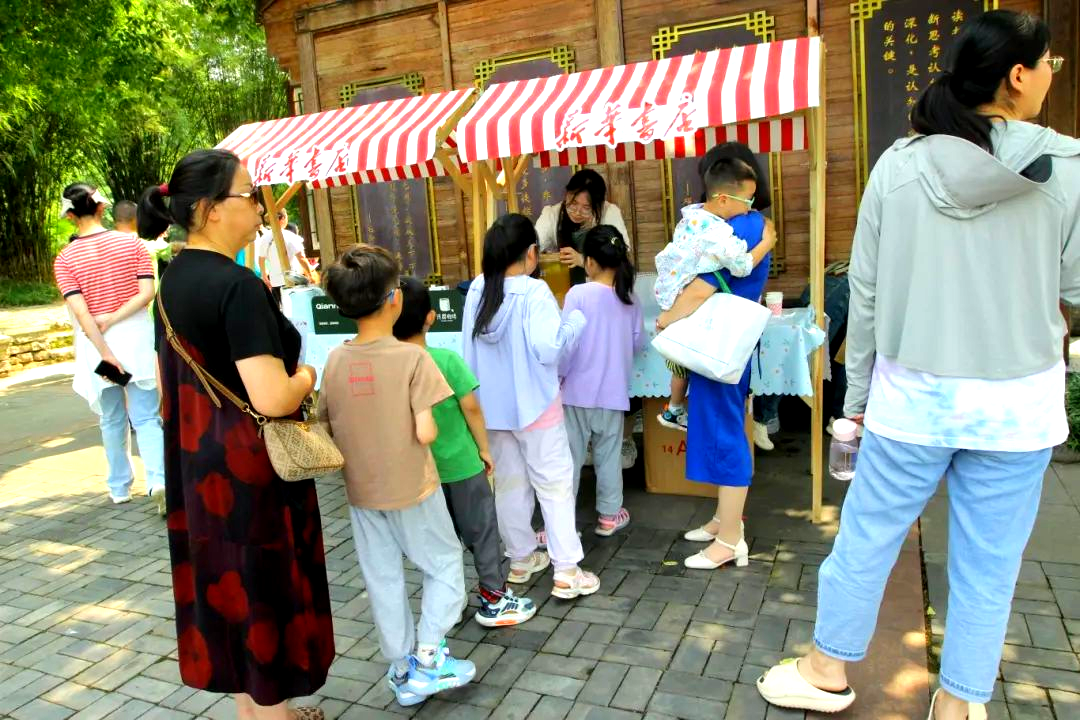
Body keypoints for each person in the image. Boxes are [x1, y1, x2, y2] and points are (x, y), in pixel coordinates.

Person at [756, 11, 1079, 719]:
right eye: (1048, 63)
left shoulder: (900, 167)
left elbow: (866, 296)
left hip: (913, 399)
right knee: (989, 566)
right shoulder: (1069, 168)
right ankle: (957, 706)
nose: (1051, 74)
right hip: (1017, 407)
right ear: (1017, 75)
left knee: (868, 538)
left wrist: (857, 399)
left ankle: (825, 670)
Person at [141, 150, 334, 720]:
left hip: (197, 465)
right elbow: (271, 397)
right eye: (248, 195)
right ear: (209, 209)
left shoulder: (172, 280)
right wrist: (308, 375)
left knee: (231, 593)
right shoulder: (238, 286)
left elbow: (166, 384)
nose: (258, 206)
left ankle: (256, 714)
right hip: (251, 472)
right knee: (264, 593)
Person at [318, 246, 476, 707]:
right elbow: (425, 431)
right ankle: (429, 656)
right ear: (394, 299)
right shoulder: (413, 359)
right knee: (443, 563)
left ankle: (402, 665)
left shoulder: (335, 359)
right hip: (414, 488)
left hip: (362, 491)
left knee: (382, 576)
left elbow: (326, 423)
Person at [462, 214, 600, 599]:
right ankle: (566, 571)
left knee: (509, 485)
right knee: (554, 485)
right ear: (531, 253)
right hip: (536, 407)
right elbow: (550, 348)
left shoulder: (476, 289)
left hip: (492, 410)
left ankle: (521, 559)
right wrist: (574, 323)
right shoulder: (535, 292)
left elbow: (467, 351)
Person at [392, 276, 538, 627]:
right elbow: (471, 407)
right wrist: (484, 449)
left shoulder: (390, 367)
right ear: (430, 317)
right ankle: (493, 598)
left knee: (438, 542)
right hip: (461, 466)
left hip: (420, 473)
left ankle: (448, 604)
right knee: (482, 533)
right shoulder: (445, 360)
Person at [656, 162, 776, 571]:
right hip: (721, 345)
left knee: (725, 435)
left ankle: (729, 541)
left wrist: (668, 318)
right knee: (721, 428)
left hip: (719, 345)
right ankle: (725, 522)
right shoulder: (743, 223)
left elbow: (703, 286)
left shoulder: (738, 227)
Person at [53, 183, 165, 511]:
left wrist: (104, 352)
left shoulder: (65, 258)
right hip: (135, 338)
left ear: (71, 216)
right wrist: (114, 317)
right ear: (102, 208)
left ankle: (119, 487)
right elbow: (146, 293)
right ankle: (158, 480)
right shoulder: (133, 244)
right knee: (146, 416)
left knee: (112, 417)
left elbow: (81, 312)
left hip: (97, 346)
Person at [654, 158, 775, 434]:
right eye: (747, 199)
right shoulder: (719, 234)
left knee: (680, 367)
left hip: (670, 293)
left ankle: (675, 409)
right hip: (687, 306)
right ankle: (675, 410)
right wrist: (768, 242)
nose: (750, 206)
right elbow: (742, 265)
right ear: (723, 199)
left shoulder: (692, 216)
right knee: (687, 365)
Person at [534, 169, 637, 468]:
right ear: (565, 196)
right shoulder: (551, 215)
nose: (577, 212)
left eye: (585, 207)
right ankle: (589, 443)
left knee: (598, 365)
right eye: (572, 204)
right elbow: (533, 248)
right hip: (564, 302)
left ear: (598, 205)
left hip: (602, 304)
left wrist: (584, 260)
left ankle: (621, 437)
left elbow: (622, 255)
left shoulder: (610, 213)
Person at [559, 225, 643, 536]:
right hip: (612, 392)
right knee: (608, 455)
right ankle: (609, 516)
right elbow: (637, 342)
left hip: (575, 392)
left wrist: (559, 376)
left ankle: (562, 522)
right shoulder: (629, 297)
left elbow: (566, 344)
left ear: (590, 261)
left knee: (569, 458)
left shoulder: (577, 294)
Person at [257, 208, 314, 303]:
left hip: (275, 280)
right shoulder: (290, 236)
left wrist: (264, 276)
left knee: (280, 307)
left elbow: (261, 259)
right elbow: (301, 258)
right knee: (295, 307)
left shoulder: (264, 238)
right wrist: (310, 275)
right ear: (283, 218)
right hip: (292, 279)